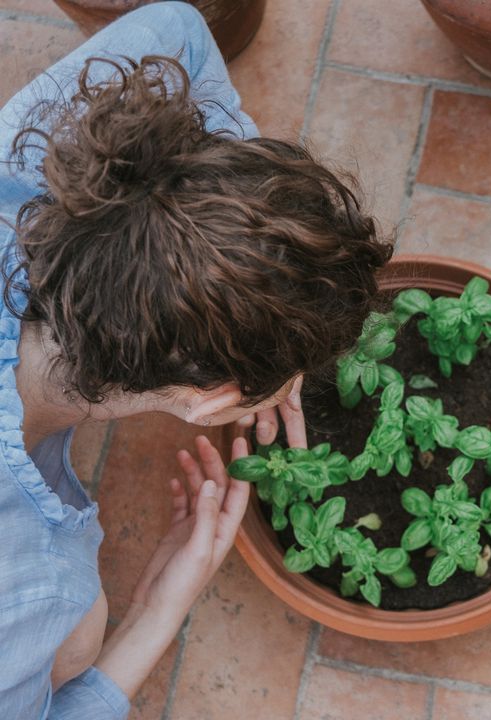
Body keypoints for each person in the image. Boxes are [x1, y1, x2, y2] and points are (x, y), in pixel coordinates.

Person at [0, 2, 392, 717]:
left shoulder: (20, 165)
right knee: (78, 635)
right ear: (209, 402)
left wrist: (236, 268)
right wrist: (158, 610)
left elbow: (178, 26)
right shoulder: (30, 586)